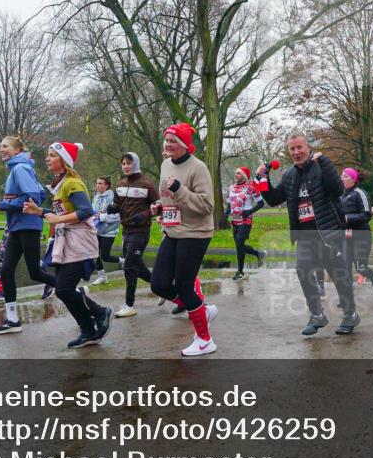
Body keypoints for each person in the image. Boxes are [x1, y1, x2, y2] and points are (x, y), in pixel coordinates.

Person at [257, 133, 358, 336]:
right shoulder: (289, 175)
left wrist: (325, 161)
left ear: (308, 147)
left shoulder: (321, 164)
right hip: (305, 235)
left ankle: (350, 315)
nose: (296, 152)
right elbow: (275, 199)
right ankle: (317, 315)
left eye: (299, 147)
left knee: (338, 275)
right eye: (291, 149)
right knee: (303, 271)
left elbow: (337, 189)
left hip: (328, 232)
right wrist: (263, 180)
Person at [22, 141, 113, 348]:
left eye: (52, 155)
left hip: (79, 243)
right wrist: (40, 212)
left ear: (64, 161)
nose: (47, 158)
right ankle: (89, 330)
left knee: (63, 289)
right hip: (67, 243)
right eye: (48, 154)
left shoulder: (73, 183)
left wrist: (57, 220)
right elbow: (61, 214)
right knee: (63, 290)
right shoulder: (61, 184)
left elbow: (86, 211)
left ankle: (100, 313)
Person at [149, 124, 219, 356]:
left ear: (185, 144)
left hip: (196, 233)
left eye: (173, 141)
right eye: (166, 140)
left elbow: (207, 206)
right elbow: (168, 197)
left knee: (183, 287)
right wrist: (161, 207)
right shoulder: (165, 164)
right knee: (158, 284)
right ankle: (200, 308)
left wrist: (180, 190)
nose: (167, 144)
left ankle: (205, 340)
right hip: (173, 231)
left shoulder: (198, 168)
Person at [0, 136, 55, 335]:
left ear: (17, 150)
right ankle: (13, 320)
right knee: (7, 270)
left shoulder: (20, 168)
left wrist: (5, 205)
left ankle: (72, 290)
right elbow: (41, 193)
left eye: (5, 146)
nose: (2, 149)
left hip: (28, 226)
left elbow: (33, 197)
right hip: (17, 226)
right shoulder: (18, 168)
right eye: (0, 146)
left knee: (35, 272)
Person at [106, 152, 158, 318]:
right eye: (123, 163)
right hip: (126, 230)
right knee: (138, 266)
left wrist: (144, 215)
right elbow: (117, 203)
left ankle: (129, 304)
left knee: (129, 266)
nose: (126, 166)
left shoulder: (147, 184)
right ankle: (163, 288)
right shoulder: (120, 184)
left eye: (129, 163)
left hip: (141, 231)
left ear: (135, 163)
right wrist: (113, 208)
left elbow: (158, 206)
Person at [340, 168, 373, 296]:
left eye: (345, 176)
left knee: (361, 268)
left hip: (361, 235)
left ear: (353, 179)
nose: (342, 178)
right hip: (346, 236)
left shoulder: (359, 193)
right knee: (345, 266)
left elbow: (367, 215)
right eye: (341, 176)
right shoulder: (341, 195)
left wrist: (348, 218)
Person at [225, 166, 266, 280]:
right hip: (235, 220)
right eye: (235, 173)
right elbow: (229, 203)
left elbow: (261, 203)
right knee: (239, 246)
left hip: (246, 220)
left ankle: (240, 271)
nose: (235, 175)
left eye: (238, 173)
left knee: (239, 242)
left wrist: (250, 211)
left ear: (244, 175)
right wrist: (226, 214)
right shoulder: (231, 188)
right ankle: (257, 255)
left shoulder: (250, 188)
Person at [91, 175, 123, 285]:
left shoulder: (112, 198)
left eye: (100, 183)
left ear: (107, 185)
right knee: (94, 254)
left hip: (109, 231)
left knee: (105, 256)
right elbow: (94, 211)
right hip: (96, 230)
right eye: (97, 183)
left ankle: (124, 261)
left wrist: (101, 217)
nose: (97, 185)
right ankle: (102, 277)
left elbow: (118, 216)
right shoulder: (96, 196)